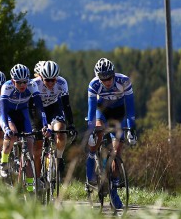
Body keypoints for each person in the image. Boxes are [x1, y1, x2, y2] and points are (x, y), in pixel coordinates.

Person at [86, 57, 137, 209]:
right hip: (101, 112)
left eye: (109, 78)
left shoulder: (124, 82)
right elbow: (91, 112)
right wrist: (91, 131)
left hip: (119, 113)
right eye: (103, 79)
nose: (107, 81)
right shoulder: (94, 84)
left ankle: (114, 191)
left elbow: (131, 109)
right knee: (98, 135)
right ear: (98, 77)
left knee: (117, 151)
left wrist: (131, 130)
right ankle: (92, 160)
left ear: (114, 74)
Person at [0, 64, 47, 194]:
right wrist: (5, 129)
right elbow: (2, 112)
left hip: (23, 113)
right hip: (8, 114)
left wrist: (45, 124)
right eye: (19, 82)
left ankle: (30, 189)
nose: (22, 85)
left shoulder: (32, 85)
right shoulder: (6, 87)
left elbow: (39, 108)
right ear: (13, 81)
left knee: (29, 153)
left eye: (25, 81)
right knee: (12, 134)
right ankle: (3, 162)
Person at [31, 60, 76, 179]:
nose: (51, 83)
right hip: (38, 111)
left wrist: (71, 124)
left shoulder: (62, 83)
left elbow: (66, 105)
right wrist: (34, 126)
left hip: (54, 107)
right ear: (41, 77)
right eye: (47, 80)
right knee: (38, 146)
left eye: (53, 80)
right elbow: (30, 106)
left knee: (61, 131)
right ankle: (37, 178)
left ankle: (58, 158)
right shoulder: (34, 84)